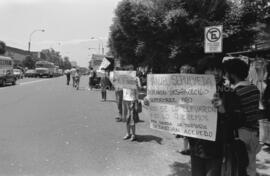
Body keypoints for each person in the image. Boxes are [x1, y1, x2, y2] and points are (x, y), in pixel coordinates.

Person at [187, 56, 245, 176]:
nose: (216, 73)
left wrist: (223, 110)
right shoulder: (193, 92)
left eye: (218, 69)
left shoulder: (229, 93)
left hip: (218, 150)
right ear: (202, 72)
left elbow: (240, 120)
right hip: (197, 148)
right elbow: (178, 113)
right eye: (211, 69)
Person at [223, 58, 263, 176]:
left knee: (237, 166)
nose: (226, 76)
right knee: (250, 165)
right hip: (255, 134)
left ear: (232, 74)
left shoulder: (234, 92)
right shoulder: (255, 89)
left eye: (227, 73)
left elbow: (232, 116)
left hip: (241, 134)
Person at [122, 69, 141, 141]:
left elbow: (139, 87)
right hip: (125, 100)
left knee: (131, 118)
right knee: (126, 118)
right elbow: (118, 86)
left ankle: (133, 134)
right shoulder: (123, 78)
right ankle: (128, 133)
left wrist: (136, 84)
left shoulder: (136, 78)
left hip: (132, 100)